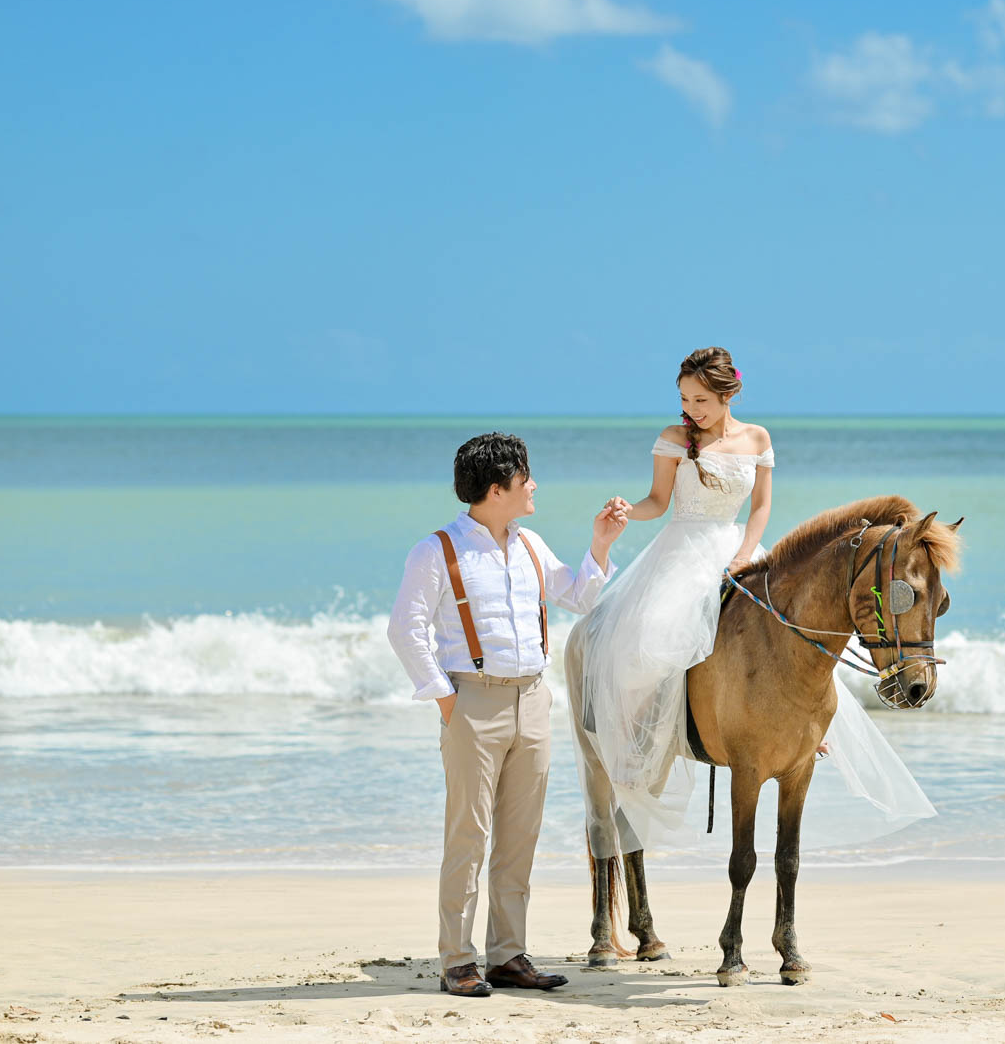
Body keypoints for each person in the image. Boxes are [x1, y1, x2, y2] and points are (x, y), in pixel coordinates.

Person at [570, 347, 934, 859]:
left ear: (727, 395)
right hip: (679, 551)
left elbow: (761, 506)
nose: (691, 408)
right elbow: (658, 500)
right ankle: (637, 741)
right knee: (651, 636)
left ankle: (803, 734)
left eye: (700, 399)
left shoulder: (757, 438)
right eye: (684, 399)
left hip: (737, 550)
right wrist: (629, 511)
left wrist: (744, 555)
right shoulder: (674, 439)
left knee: (791, 634)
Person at [387, 432, 627, 998]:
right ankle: (457, 960)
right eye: (526, 478)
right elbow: (405, 629)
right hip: (472, 701)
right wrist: (445, 697)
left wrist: (601, 542)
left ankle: (507, 956)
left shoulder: (529, 545)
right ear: (498, 489)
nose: (534, 485)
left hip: (534, 699)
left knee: (520, 837)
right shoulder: (437, 550)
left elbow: (579, 596)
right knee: (467, 836)